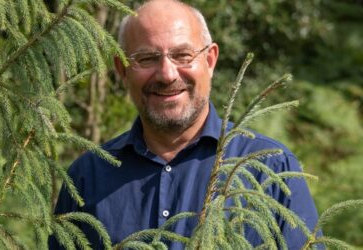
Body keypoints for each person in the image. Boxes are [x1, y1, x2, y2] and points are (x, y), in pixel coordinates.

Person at [49, 0, 320, 249]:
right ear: (122, 69)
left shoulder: (272, 170)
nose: (167, 74)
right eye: (147, 58)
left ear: (210, 60)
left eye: (182, 55)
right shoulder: (87, 178)